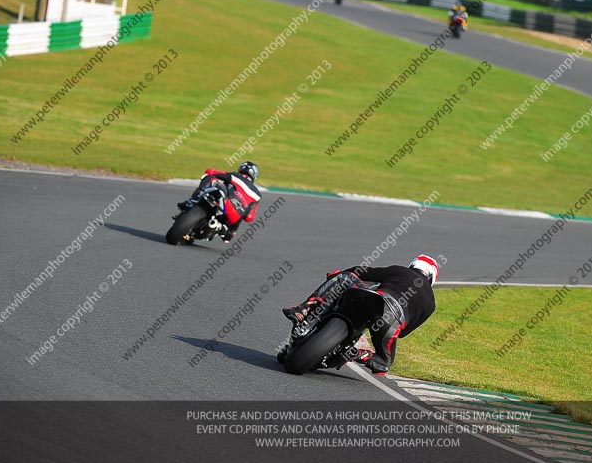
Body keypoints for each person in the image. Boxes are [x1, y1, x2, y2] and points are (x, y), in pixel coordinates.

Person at [282, 255, 439, 376]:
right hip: (392, 323)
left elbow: (362, 271)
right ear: (432, 277)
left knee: (344, 277)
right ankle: (361, 355)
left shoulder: (402, 270)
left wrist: (339, 274)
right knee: (384, 363)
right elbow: (404, 333)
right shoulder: (431, 305)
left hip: (378, 300)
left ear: (413, 265)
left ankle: (304, 309)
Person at [177, 161, 261, 243]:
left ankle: (192, 200)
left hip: (225, 203)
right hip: (233, 220)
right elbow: (249, 218)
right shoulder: (257, 195)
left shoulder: (235, 176)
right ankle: (228, 232)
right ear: (254, 176)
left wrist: (210, 172)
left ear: (241, 169)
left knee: (210, 177)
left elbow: (212, 172)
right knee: (229, 234)